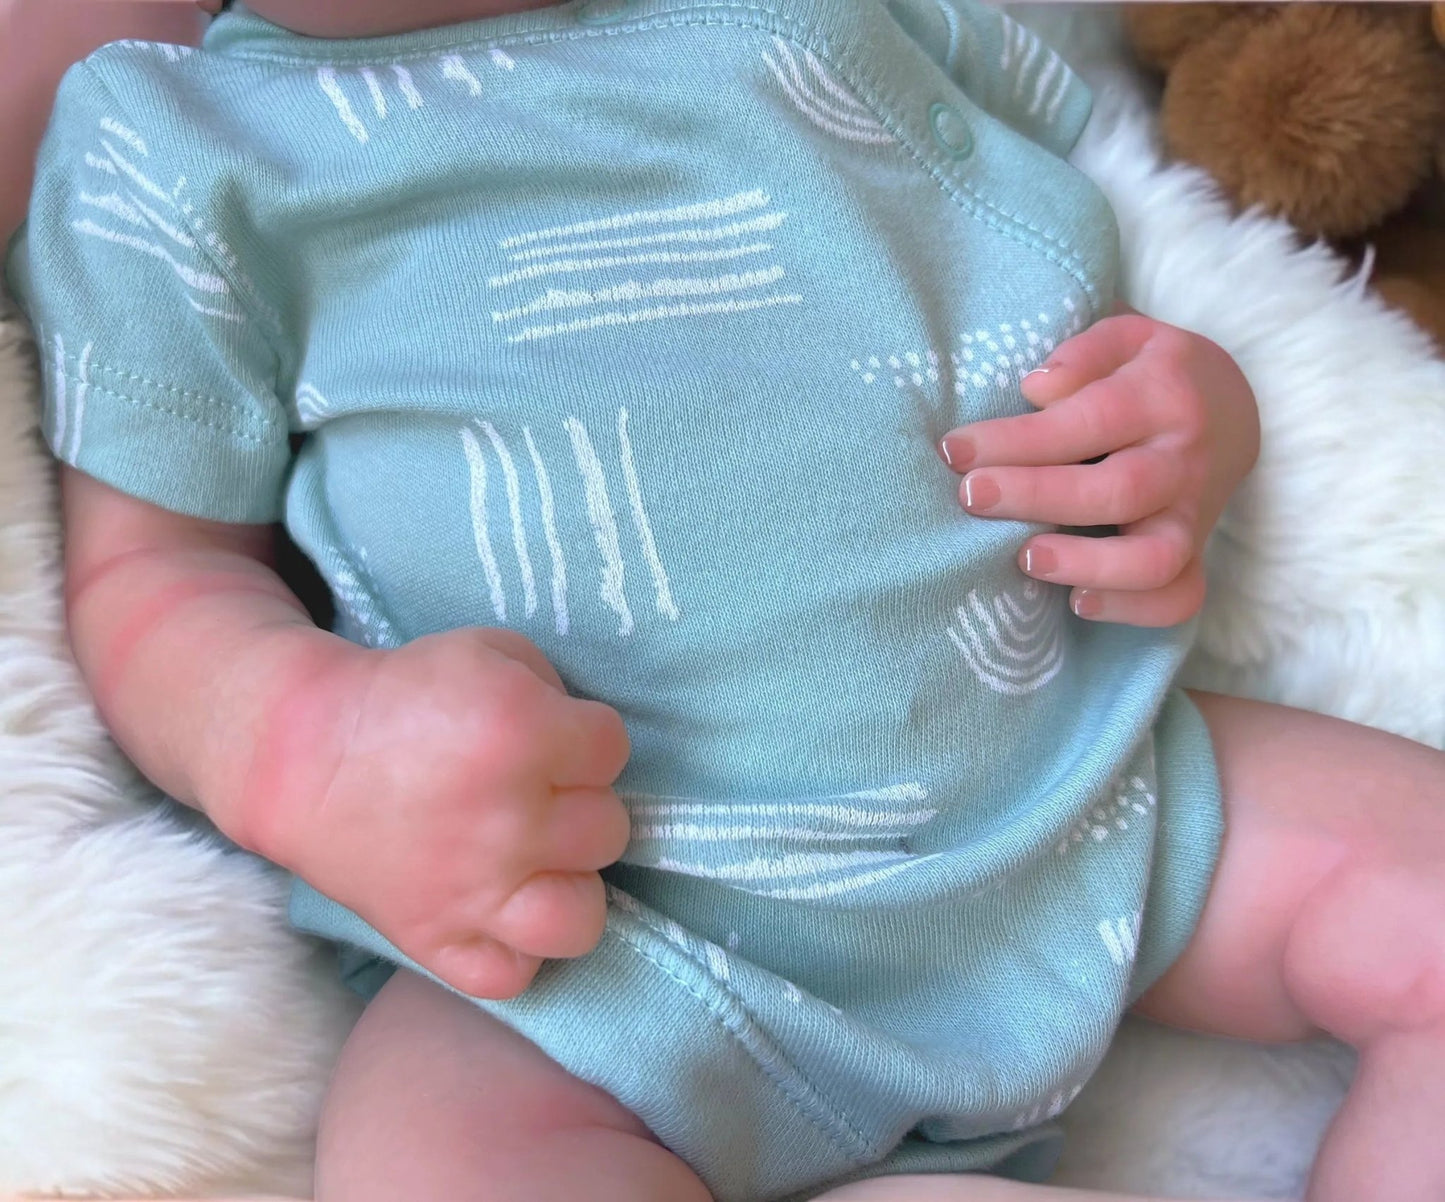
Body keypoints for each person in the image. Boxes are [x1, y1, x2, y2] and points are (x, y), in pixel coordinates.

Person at [5, 1, 1444, 1200]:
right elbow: (150, 569)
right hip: (596, 942)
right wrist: (300, 747)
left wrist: (1187, 421)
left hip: (1072, 786)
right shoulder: (176, 140)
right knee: (428, 1163)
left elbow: (1130, 212)